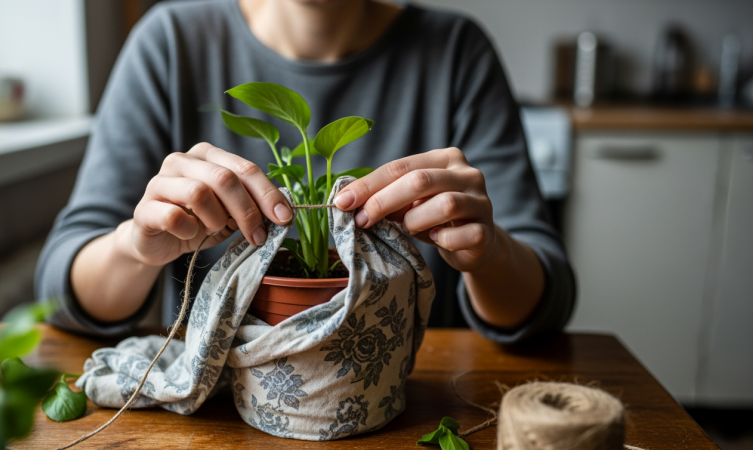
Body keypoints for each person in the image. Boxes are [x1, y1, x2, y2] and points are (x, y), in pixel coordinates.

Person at [36, 0, 574, 342]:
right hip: (225, 409)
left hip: (416, 400)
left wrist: (491, 252)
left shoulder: (457, 50)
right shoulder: (170, 41)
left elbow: (547, 296)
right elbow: (60, 287)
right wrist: (135, 247)